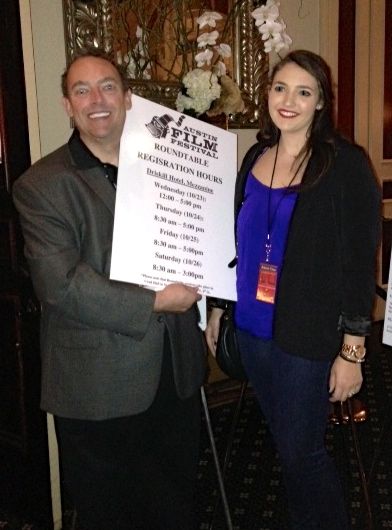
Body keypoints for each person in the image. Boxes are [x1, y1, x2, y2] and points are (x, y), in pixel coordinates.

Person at [13, 48, 206, 530]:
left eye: (108, 87)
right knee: (109, 512)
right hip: (95, 382)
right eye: (82, 90)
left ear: (127, 97)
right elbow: (61, 284)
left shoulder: (169, 167)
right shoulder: (41, 184)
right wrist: (156, 301)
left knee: (175, 503)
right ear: (67, 104)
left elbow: (197, 240)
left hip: (174, 373)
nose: (96, 99)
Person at [205, 50, 380, 530]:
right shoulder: (256, 157)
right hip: (252, 331)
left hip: (306, 339)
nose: (289, 101)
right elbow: (236, 240)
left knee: (303, 454)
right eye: (280, 88)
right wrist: (219, 308)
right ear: (267, 95)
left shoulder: (344, 165)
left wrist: (351, 352)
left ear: (321, 102)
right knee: (285, 446)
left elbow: (358, 266)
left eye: (304, 92)